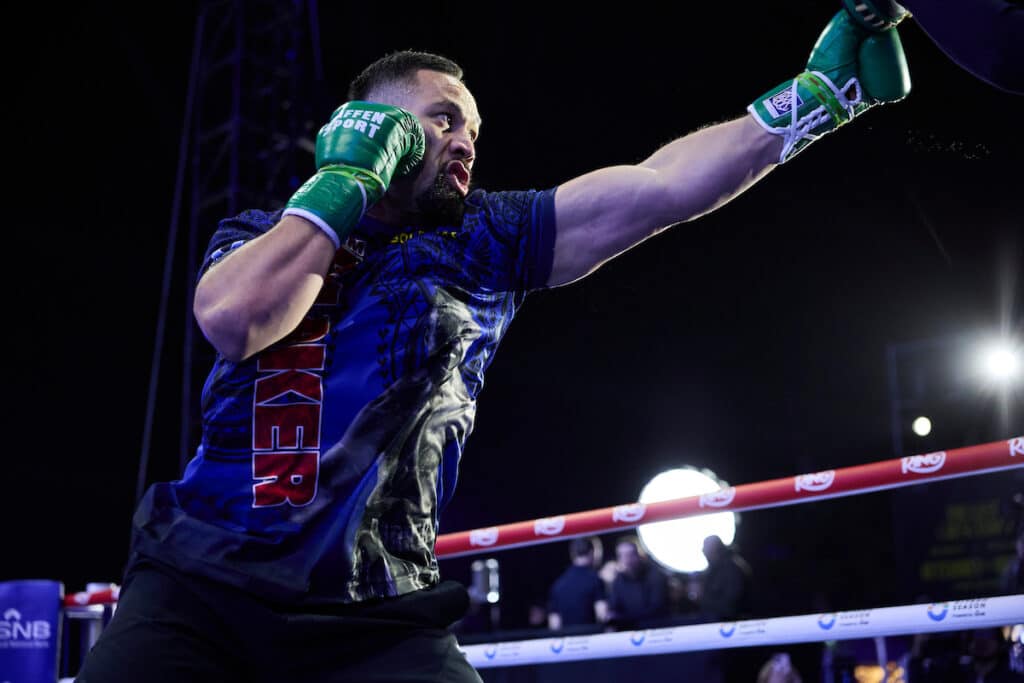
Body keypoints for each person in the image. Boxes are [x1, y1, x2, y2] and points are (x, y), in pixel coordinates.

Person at [76, 7, 911, 680]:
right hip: (197, 588)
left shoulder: (489, 237)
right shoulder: (262, 231)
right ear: (371, 121)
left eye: (472, 127)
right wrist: (344, 181)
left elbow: (663, 188)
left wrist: (815, 96)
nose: (465, 140)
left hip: (374, 611)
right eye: (442, 120)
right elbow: (236, 320)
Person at [606, 536, 670, 630]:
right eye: (622, 555)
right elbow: (614, 608)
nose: (627, 560)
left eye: (630, 554)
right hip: (628, 631)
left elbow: (656, 609)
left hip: (655, 631)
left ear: (638, 555)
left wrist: (623, 617)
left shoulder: (655, 576)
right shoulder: (619, 580)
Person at [546, 536, 608, 631]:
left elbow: (554, 624)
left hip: (567, 642)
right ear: (593, 553)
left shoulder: (558, 584)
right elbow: (603, 615)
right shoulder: (595, 579)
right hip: (591, 641)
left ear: (572, 554)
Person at [697, 534, 753, 622]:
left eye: (706, 547)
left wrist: (703, 600)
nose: (703, 551)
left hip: (732, 622)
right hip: (718, 620)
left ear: (715, 549)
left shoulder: (732, 569)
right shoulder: (713, 569)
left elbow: (731, 605)